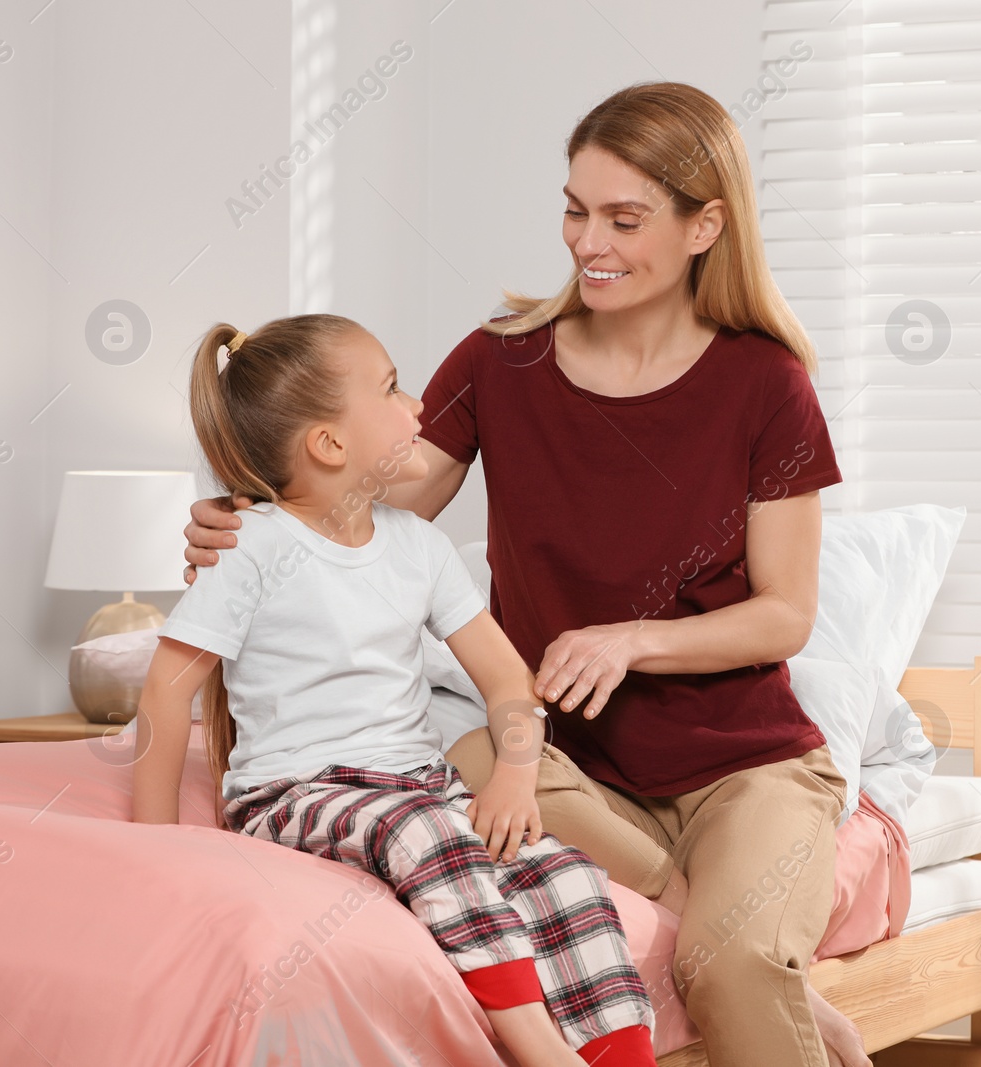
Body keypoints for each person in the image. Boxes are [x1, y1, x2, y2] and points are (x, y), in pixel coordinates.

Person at [185, 83, 871, 1067]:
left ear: (703, 226)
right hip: (566, 766)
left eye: (624, 219)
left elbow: (785, 615)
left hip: (744, 768)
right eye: (574, 209)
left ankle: (751, 965)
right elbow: (375, 500)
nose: (587, 240)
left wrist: (634, 638)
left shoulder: (766, 385)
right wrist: (250, 516)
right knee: (458, 758)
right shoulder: (503, 361)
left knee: (730, 959)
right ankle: (770, 979)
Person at [135, 314, 656, 1067]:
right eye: (392, 388)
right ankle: (538, 1048)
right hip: (294, 789)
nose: (417, 407)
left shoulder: (421, 547)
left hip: (418, 784)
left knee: (562, 873)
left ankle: (623, 1057)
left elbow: (507, 677)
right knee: (430, 834)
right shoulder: (252, 546)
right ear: (331, 444)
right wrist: (160, 848)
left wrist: (513, 775)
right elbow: (162, 694)